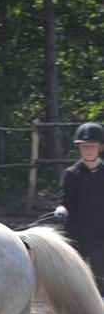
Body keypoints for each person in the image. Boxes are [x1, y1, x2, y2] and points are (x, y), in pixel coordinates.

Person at [54, 121, 104, 293]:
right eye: (84, 147)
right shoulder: (71, 173)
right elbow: (66, 200)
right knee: (75, 277)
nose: (88, 150)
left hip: (101, 234)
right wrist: (62, 209)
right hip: (77, 233)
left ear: (100, 147)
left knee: (101, 276)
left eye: (91, 146)